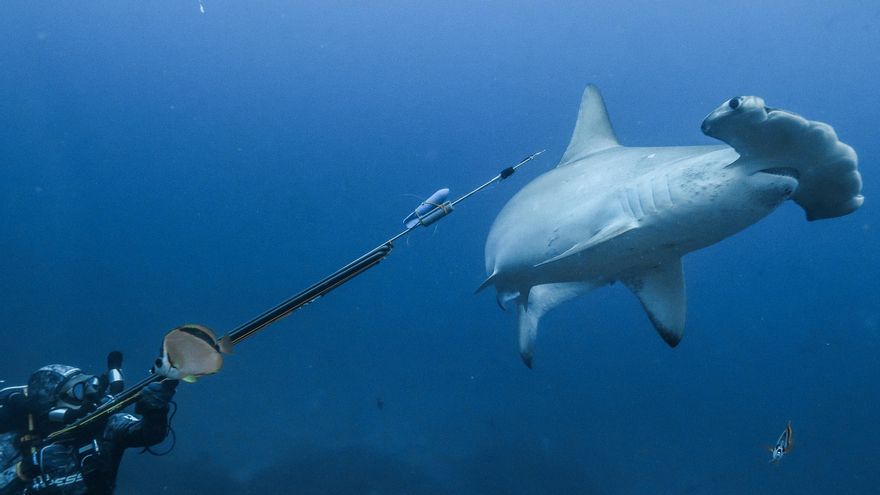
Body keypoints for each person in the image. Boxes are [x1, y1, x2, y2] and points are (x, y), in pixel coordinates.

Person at [0, 364, 176, 494]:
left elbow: (147, 434)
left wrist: (156, 410)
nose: (90, 395)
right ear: (50, 403)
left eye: (90, 384)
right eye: (77, 390)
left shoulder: (106, 425)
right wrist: (24, 469)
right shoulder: (13, 441)